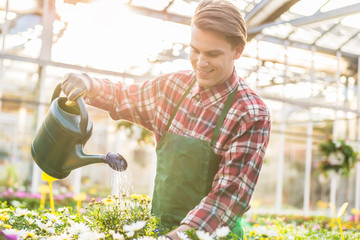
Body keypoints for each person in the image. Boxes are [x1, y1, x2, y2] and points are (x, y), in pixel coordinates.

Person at [61, 0, 271, 239]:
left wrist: (179, 236)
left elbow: (229, 196)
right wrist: (89, 84)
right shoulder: (172, 87)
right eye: (195, 50)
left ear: (237, 51)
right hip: (160, 228)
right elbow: (123, 96)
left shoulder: (250, 114)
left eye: (212, 54)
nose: (200, 63)